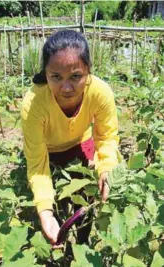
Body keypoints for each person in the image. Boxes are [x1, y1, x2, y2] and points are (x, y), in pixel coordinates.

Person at [21, 29, 120, 247]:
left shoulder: (100, 92)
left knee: (85, 200)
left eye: (76, 76)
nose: (66, 87)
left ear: (88, 72)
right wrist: (45, 211)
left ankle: (83, 243)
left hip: (79, 145)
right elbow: (38, 165)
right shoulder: (34, 104)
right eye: (56, 77)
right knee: (57, 202)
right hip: (47, 152)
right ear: (45, 74)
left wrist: (106, 169)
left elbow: (107, 136)